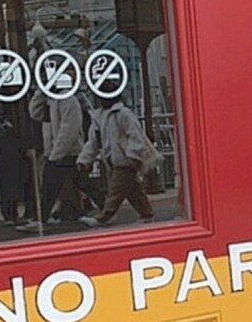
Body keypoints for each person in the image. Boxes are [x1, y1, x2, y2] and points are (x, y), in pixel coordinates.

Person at [77, 96, 155, 227]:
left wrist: (84, 160)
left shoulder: (119, 114)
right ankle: (146, 213)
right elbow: (93, 142)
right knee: (132, 189)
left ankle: (106, 216)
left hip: (123, 159)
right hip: (121, 158)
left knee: (116, 190)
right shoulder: (108, 116)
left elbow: (94, 142)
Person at [26, 87, 85, 225]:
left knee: (53, 184)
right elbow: (35, 112)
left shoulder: (69, 100)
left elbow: (68, 129)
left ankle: (41, 217)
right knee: (77, 183)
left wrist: (56, 154)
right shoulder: (50, 101)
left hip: (69, 152)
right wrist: (41, 93)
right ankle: (44, 216)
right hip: (55, 151)